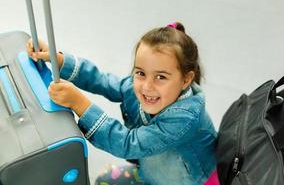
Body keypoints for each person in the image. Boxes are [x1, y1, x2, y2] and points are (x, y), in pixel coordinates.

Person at [26, 22, 219, 185]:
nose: (146, 86)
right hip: (155, 172)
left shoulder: (185, 118)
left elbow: (128, 143)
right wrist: (59, 61)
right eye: (140, 72)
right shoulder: (141, 87)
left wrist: (80, 104)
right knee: (103, 179)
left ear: (186, 80)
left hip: (188, 181)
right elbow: (102, 80)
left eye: (161, 77)